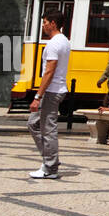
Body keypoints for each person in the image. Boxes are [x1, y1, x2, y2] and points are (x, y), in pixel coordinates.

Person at [27, 10, 70, 178]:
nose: (43, 26)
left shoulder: (54, 43)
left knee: (48, 129)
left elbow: (49, 72)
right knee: (34, 124)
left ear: (53, 23)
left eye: (45, 22)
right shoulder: (64, 41)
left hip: (52, 91)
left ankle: (50, 167)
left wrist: (37, 97)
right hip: (57, 89)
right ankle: (49, 160)